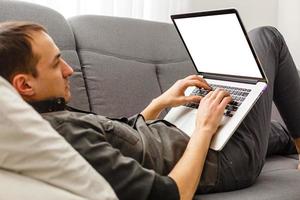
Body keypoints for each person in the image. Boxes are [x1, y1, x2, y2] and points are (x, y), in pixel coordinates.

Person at [0, 21, 298, 200]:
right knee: (266, 37)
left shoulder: (47, 114)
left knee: (276, 132)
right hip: (225, 162)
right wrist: (204, 129)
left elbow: (120, 137)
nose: (69, 70)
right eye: (55, 64)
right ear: (24, 85)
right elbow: (173, 193)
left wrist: (161, 103)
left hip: (187, 136)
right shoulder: (63, 137)